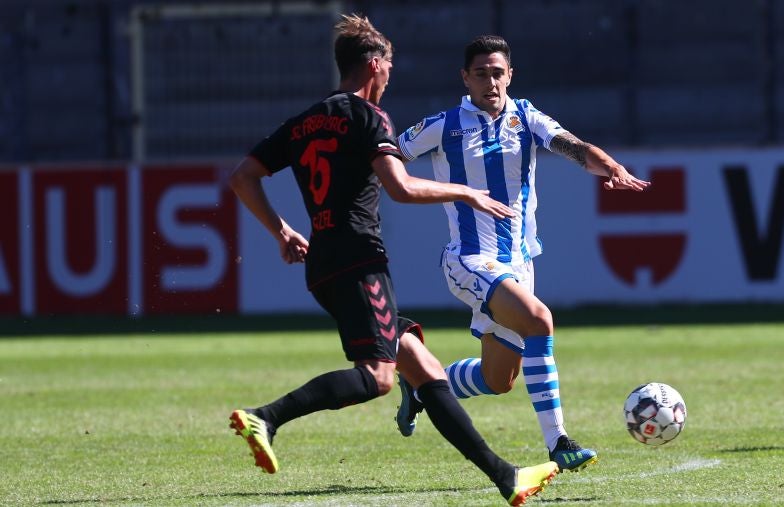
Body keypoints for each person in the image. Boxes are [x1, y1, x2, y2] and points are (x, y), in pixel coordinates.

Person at [227, 16, 558, 506]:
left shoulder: (305, 121)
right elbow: (399, 187)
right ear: (375, 66)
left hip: (324, 262)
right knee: (378, 377)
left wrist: (281, 232)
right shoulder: (369, 117)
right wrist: (465, 192)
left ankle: (506, 476)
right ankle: (266, 417)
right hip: (359, 259)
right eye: (388, 69)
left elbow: (242, 176)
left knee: (423, 368)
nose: (389, 79)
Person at [394, 35, 651, 473]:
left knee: (498, 379)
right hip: (469, 259)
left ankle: (419, 383)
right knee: (539, 320)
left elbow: (573, 146)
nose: (490, 82)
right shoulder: (443, 125)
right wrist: (431, 190)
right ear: (465, 78)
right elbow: (389, 159)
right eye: (481, 74)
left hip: (518, 264)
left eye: (497, 73)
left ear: (510, 75)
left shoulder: (526, 117)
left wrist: (611, 167)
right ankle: (559, 443)